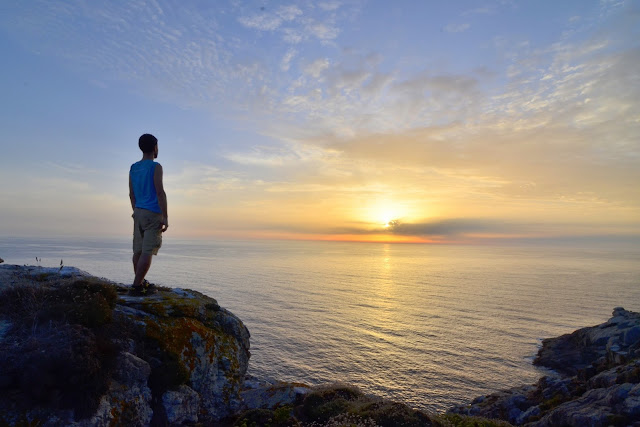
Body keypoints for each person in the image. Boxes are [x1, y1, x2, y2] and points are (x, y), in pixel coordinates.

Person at [129, 133, 168, 293]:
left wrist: (136, 211)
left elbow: (131, 194)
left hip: (138, 211)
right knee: (147, 251)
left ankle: (140, 281)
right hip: (152, 212)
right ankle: (137, 285)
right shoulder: (155, 167)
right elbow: (160, 192)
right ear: (155, 147)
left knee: (138, 250)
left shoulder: (134, 168)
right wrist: (165, 216)